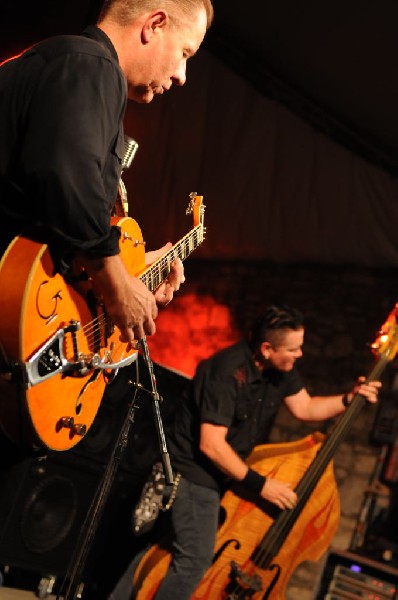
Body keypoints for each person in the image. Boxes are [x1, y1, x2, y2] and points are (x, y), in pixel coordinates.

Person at [111, 304, 381, 599]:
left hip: (221, 475)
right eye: (293, 349)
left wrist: (348, 398)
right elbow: (211, 445)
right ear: (267, 348)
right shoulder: (226, 372)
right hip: (192, 474)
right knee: (194, 561)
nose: (300, 355)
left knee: (166, 549)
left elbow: (305, 407)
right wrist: (263, 486)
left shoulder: (280, 370)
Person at [0, 0, 214, 344]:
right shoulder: (90, 65)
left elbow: (49, 220)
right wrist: (116, 282)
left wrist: (134, 274)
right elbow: (68, 183)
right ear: (154, 24)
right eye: (185, 53)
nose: (181, 76)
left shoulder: (75, 66)